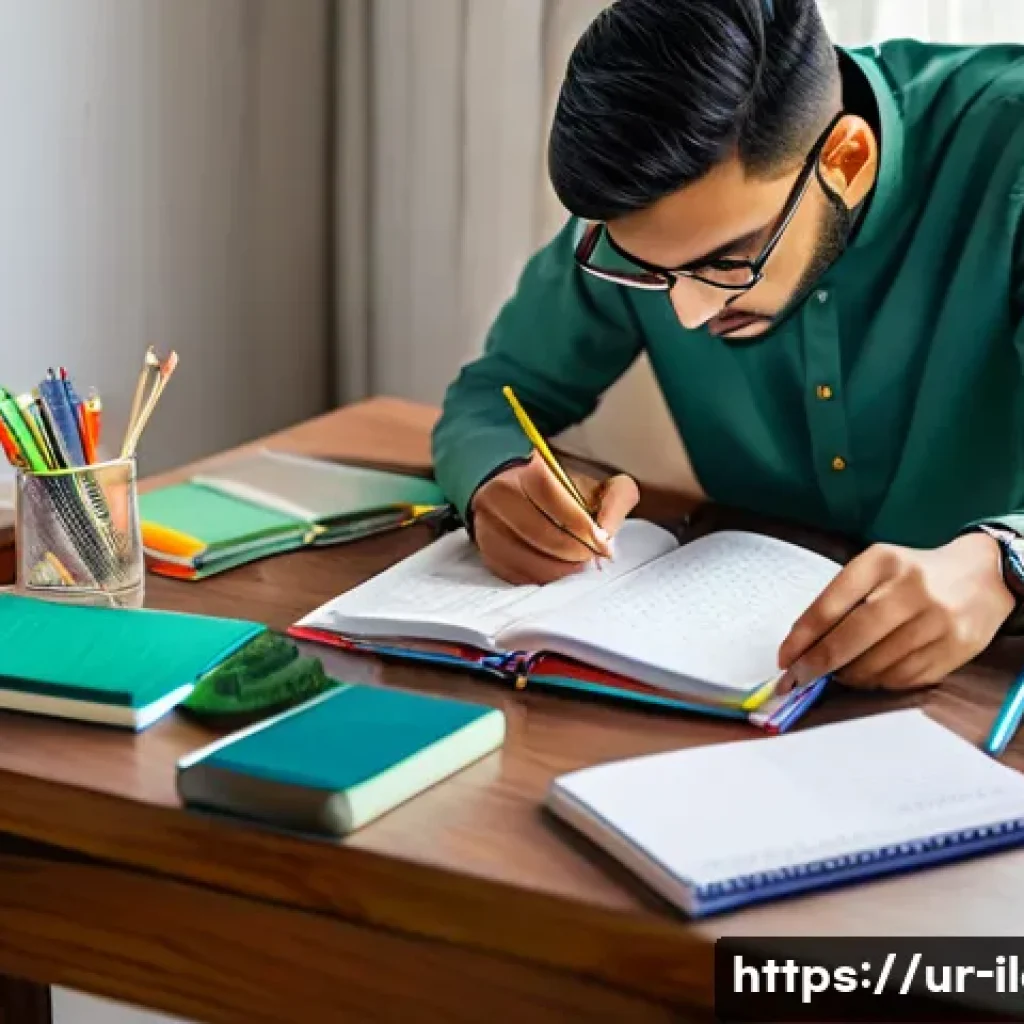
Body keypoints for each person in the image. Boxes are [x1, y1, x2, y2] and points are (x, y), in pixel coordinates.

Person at [430, 0, 1024, 694]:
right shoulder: (644, 221)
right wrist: (496, 482)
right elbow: (490, 398)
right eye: (651, 271)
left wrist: (1004, 564)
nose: (685, 311)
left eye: (727, 261)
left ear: (849, 162)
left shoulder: (1008, 153)